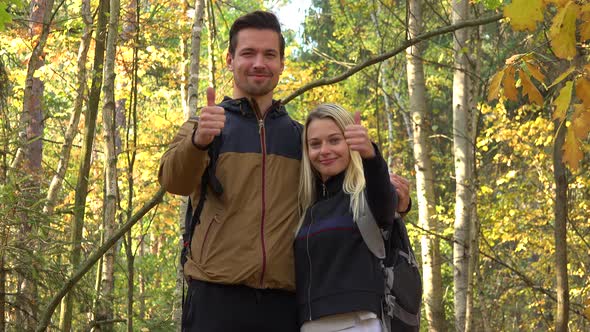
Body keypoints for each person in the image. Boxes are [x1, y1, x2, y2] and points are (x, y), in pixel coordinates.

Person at [158, 10, 411, 332]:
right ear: (229, 59)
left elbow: (340, 196)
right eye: (248, 53)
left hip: (286, 302)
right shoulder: (205, 126)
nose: (259, 63)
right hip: (214, 295)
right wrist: (198, 141)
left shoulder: (300, 137)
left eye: (269, 54)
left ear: (281, 63)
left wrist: (397, 200)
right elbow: (173, 182)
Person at [294, 104, 397, 332]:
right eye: (315, 144)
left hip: (358, 321)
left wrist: (370, 154)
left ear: (349, 143)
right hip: (310, 325)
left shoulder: (364, 195)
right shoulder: (306, 206)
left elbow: (386, 204)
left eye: (334, 140)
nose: (324, 150)